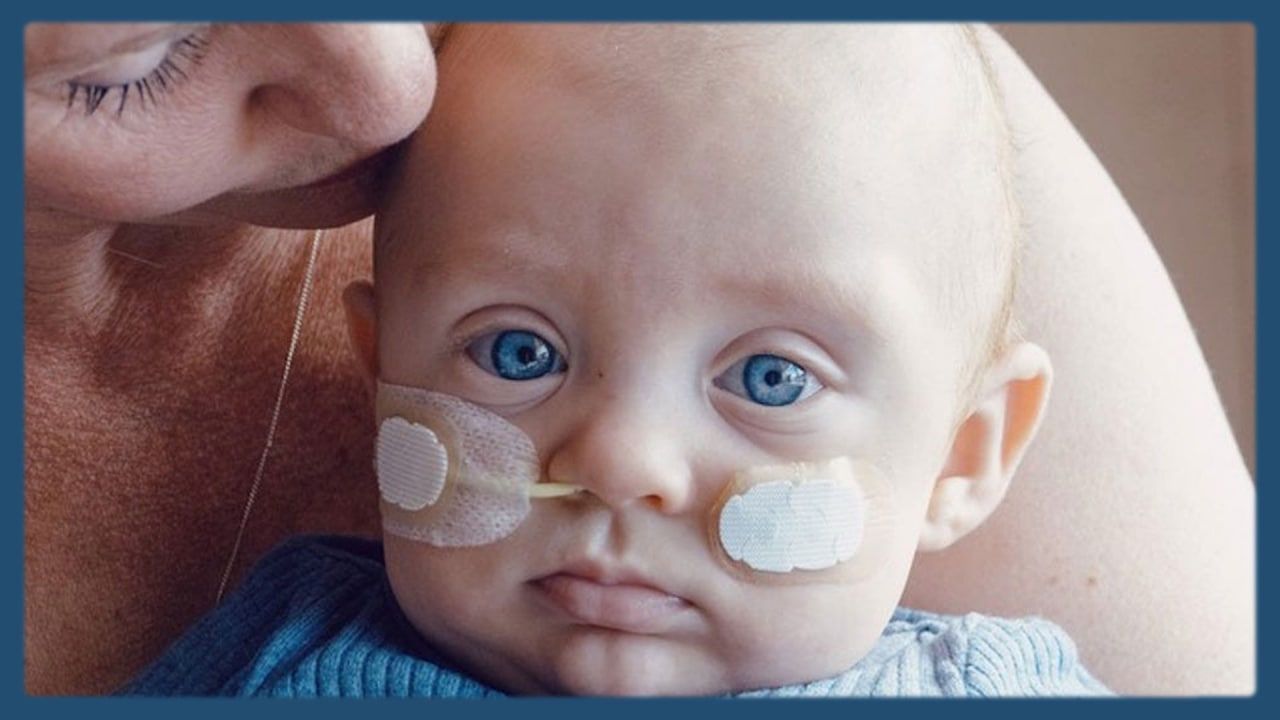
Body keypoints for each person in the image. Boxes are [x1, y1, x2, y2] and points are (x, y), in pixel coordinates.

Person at [23, 22, 1254, 696]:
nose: (618, 462)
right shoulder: (283, 660)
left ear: (965, 454)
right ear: (380, 365)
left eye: (769, 380)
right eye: (517, 352)